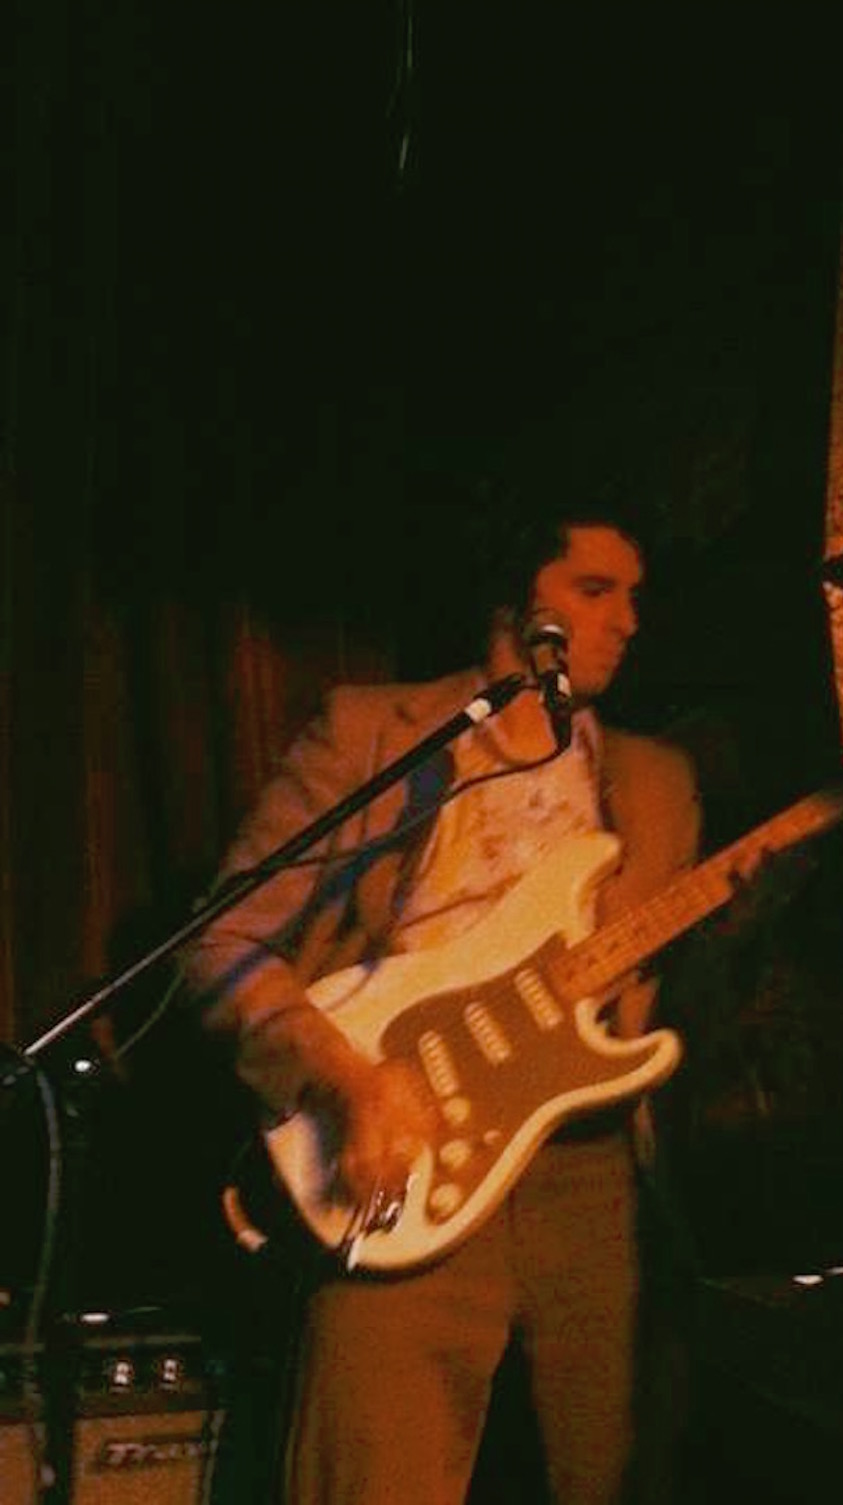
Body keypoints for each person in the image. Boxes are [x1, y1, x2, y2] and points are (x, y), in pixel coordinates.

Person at [186, 502, 700, 1504]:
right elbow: (223, 941)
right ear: (515, 602)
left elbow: (669, 995)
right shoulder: (372, 733)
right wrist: (347, 1079)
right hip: (397, 1140)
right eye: (595, 589)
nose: (627, 620)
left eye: (635, 595)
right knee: (369, 1474)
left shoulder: (657, 781)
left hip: (587, 1175)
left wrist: (751, 910)